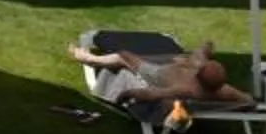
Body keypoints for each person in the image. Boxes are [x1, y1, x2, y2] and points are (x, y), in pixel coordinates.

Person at [67, 39, 252, 111]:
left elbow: (151, 94)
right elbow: (250, 101)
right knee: (197, 56)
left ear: (198, 76)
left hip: (157, 75)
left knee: (124, 56)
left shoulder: (186, 89)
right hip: (178, 72)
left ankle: (90, 59)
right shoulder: (225, 91)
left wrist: (125, 94)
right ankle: (198, 52)